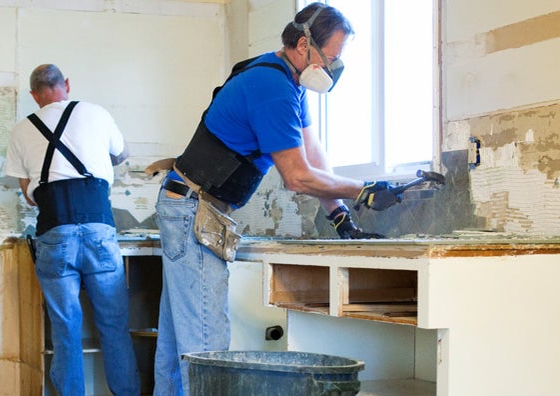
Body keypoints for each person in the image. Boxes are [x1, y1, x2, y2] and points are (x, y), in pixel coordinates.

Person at [147, 3, 404, 394]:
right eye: (332, 57)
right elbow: (297, 177)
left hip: (187, 206)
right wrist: (362, 191)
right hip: (193, 210)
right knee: (205, 342)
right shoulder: (272, 88)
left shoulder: (288, 80)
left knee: (178, 342)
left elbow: (313, 156)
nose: (335, 68)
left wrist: (341, 216)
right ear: (304, 45)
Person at [5, 64, 140, 396]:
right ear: (65, 84)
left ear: (34, 95)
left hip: (55, 230)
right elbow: (122, 155)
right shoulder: (96, 113)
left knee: (66, 328)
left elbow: (28, 195)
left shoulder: (22, 130)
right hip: (99, 227)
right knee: (113, 326)